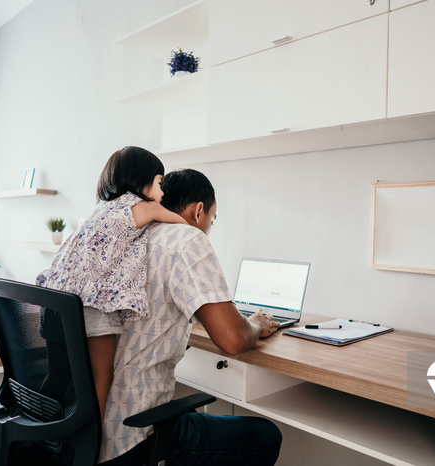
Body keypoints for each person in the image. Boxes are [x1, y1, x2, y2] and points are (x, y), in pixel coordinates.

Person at [94, 168, 283, 465]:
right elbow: (232, 340)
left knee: (190, 413)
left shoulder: (127, 234)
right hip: (133, 434)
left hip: (89, 427)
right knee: (264, 436)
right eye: (212, 218)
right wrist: (256, 324)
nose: (208, 227)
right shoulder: (185, 237)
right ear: (198, 211)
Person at [37, 146, 187, 418]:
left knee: (58, 378)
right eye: (159, 183)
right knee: (99, 381)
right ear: (141, 181)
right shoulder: (142, 206)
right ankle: (91, 446)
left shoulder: (99, 210)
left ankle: (46, 435)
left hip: (57, 302)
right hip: (95, 305)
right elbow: (183, 227)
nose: (162, 193)